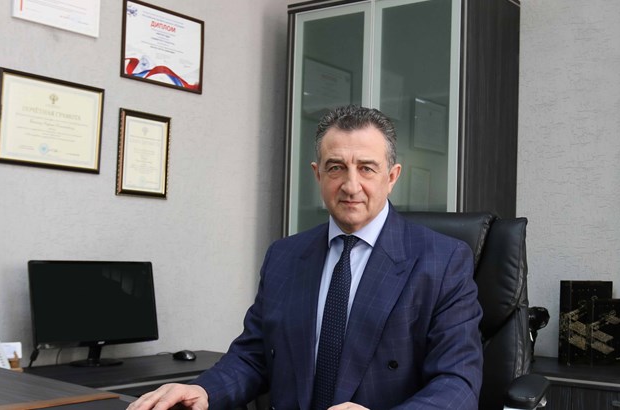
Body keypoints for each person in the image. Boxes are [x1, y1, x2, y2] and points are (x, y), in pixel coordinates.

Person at [128, 105, 482, 410]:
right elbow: (254, 356)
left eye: (367, 168)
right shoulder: (284, 256)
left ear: (392, 177)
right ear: (317, 174)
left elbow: (458, 383)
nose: (351, 185)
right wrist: (204, 390)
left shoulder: (443, 260)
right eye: (336, 167)